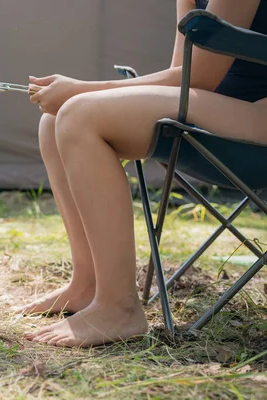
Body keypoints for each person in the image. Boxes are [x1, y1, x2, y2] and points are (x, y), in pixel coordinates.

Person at [19, 0, 267, 347]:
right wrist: (78, 93)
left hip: (258, 116)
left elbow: (201, 76)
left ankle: (119, 308)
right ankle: (88, 282)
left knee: (77, 114)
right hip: (215, 108)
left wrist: (81, 90)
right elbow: (183, 70)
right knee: (54, 121)